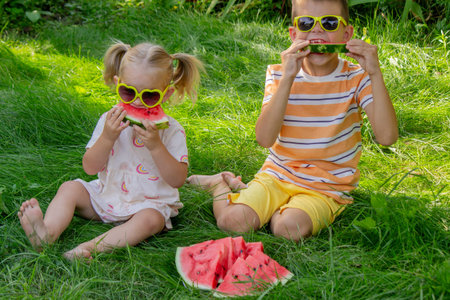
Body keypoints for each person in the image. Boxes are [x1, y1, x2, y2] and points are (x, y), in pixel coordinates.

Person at [188, 0, 398, 242]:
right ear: (293, 33)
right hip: (278, 173)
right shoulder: (279, 73)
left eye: (329, 23)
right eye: (307, 23)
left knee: (288, 230)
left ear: (347, 33)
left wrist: (375, 73)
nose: (317, 30)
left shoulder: (357, 77)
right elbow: (264, 139)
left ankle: (281, 211)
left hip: (327, 185)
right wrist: (288, 77)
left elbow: (387, 137)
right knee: (232, 223)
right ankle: (218, 184)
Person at [18, 41, 203, 259]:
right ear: (117, 84)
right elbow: (90, 167)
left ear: (165, 94)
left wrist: (156, 146)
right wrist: (107, 137)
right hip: (107, 196)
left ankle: (89, 248)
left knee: (151, 220)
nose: (137, 103)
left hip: (149, 205)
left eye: (149, 96)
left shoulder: (172, 131)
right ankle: (46, 233)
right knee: (70, 188)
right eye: (128, 92)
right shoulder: (109, 121)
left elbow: (177, 179)